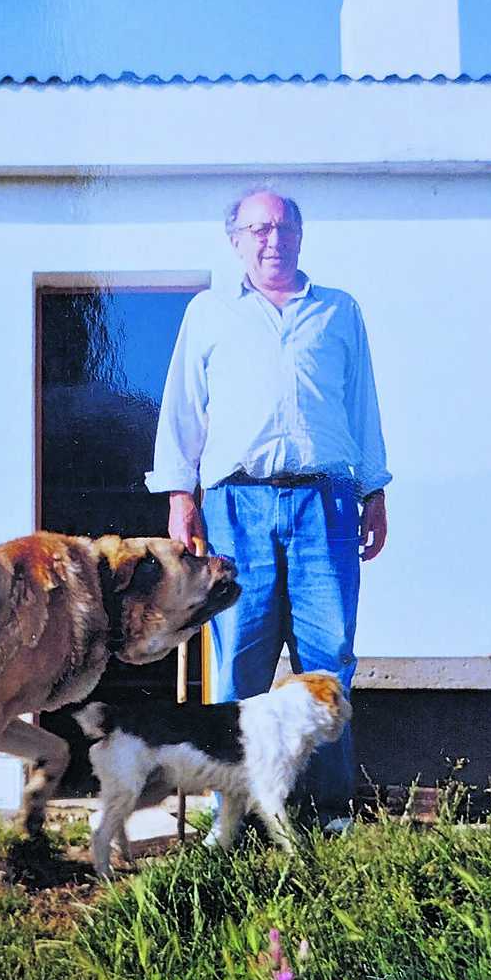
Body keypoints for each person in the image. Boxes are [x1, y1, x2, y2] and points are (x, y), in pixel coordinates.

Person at [147, 187, 390, 829]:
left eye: (282, 226)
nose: (271, 238)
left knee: (328, 656)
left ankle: (330, 811)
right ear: (235, 241)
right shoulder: (208, 313)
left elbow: (361, 407)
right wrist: (180, 496)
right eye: (257, 228)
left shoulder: (339, 312)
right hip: (236, 504)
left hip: (327, 503)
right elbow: (182, 408)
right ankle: (239, 813)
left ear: (301, 235)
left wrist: (375, 491)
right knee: (240, 658)